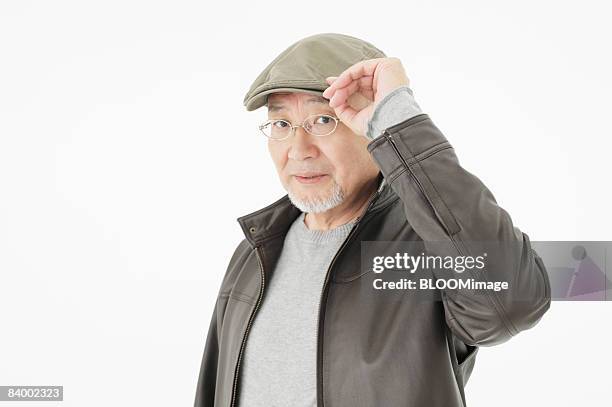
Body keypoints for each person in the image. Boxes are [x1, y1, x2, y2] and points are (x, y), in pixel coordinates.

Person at [194, 32, 551, 407]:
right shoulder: (256, 250)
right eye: (282, 125)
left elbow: (512, 303)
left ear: (372, 128)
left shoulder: (425, 245)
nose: (299, 150)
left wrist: (398, 116)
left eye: (322, 120)